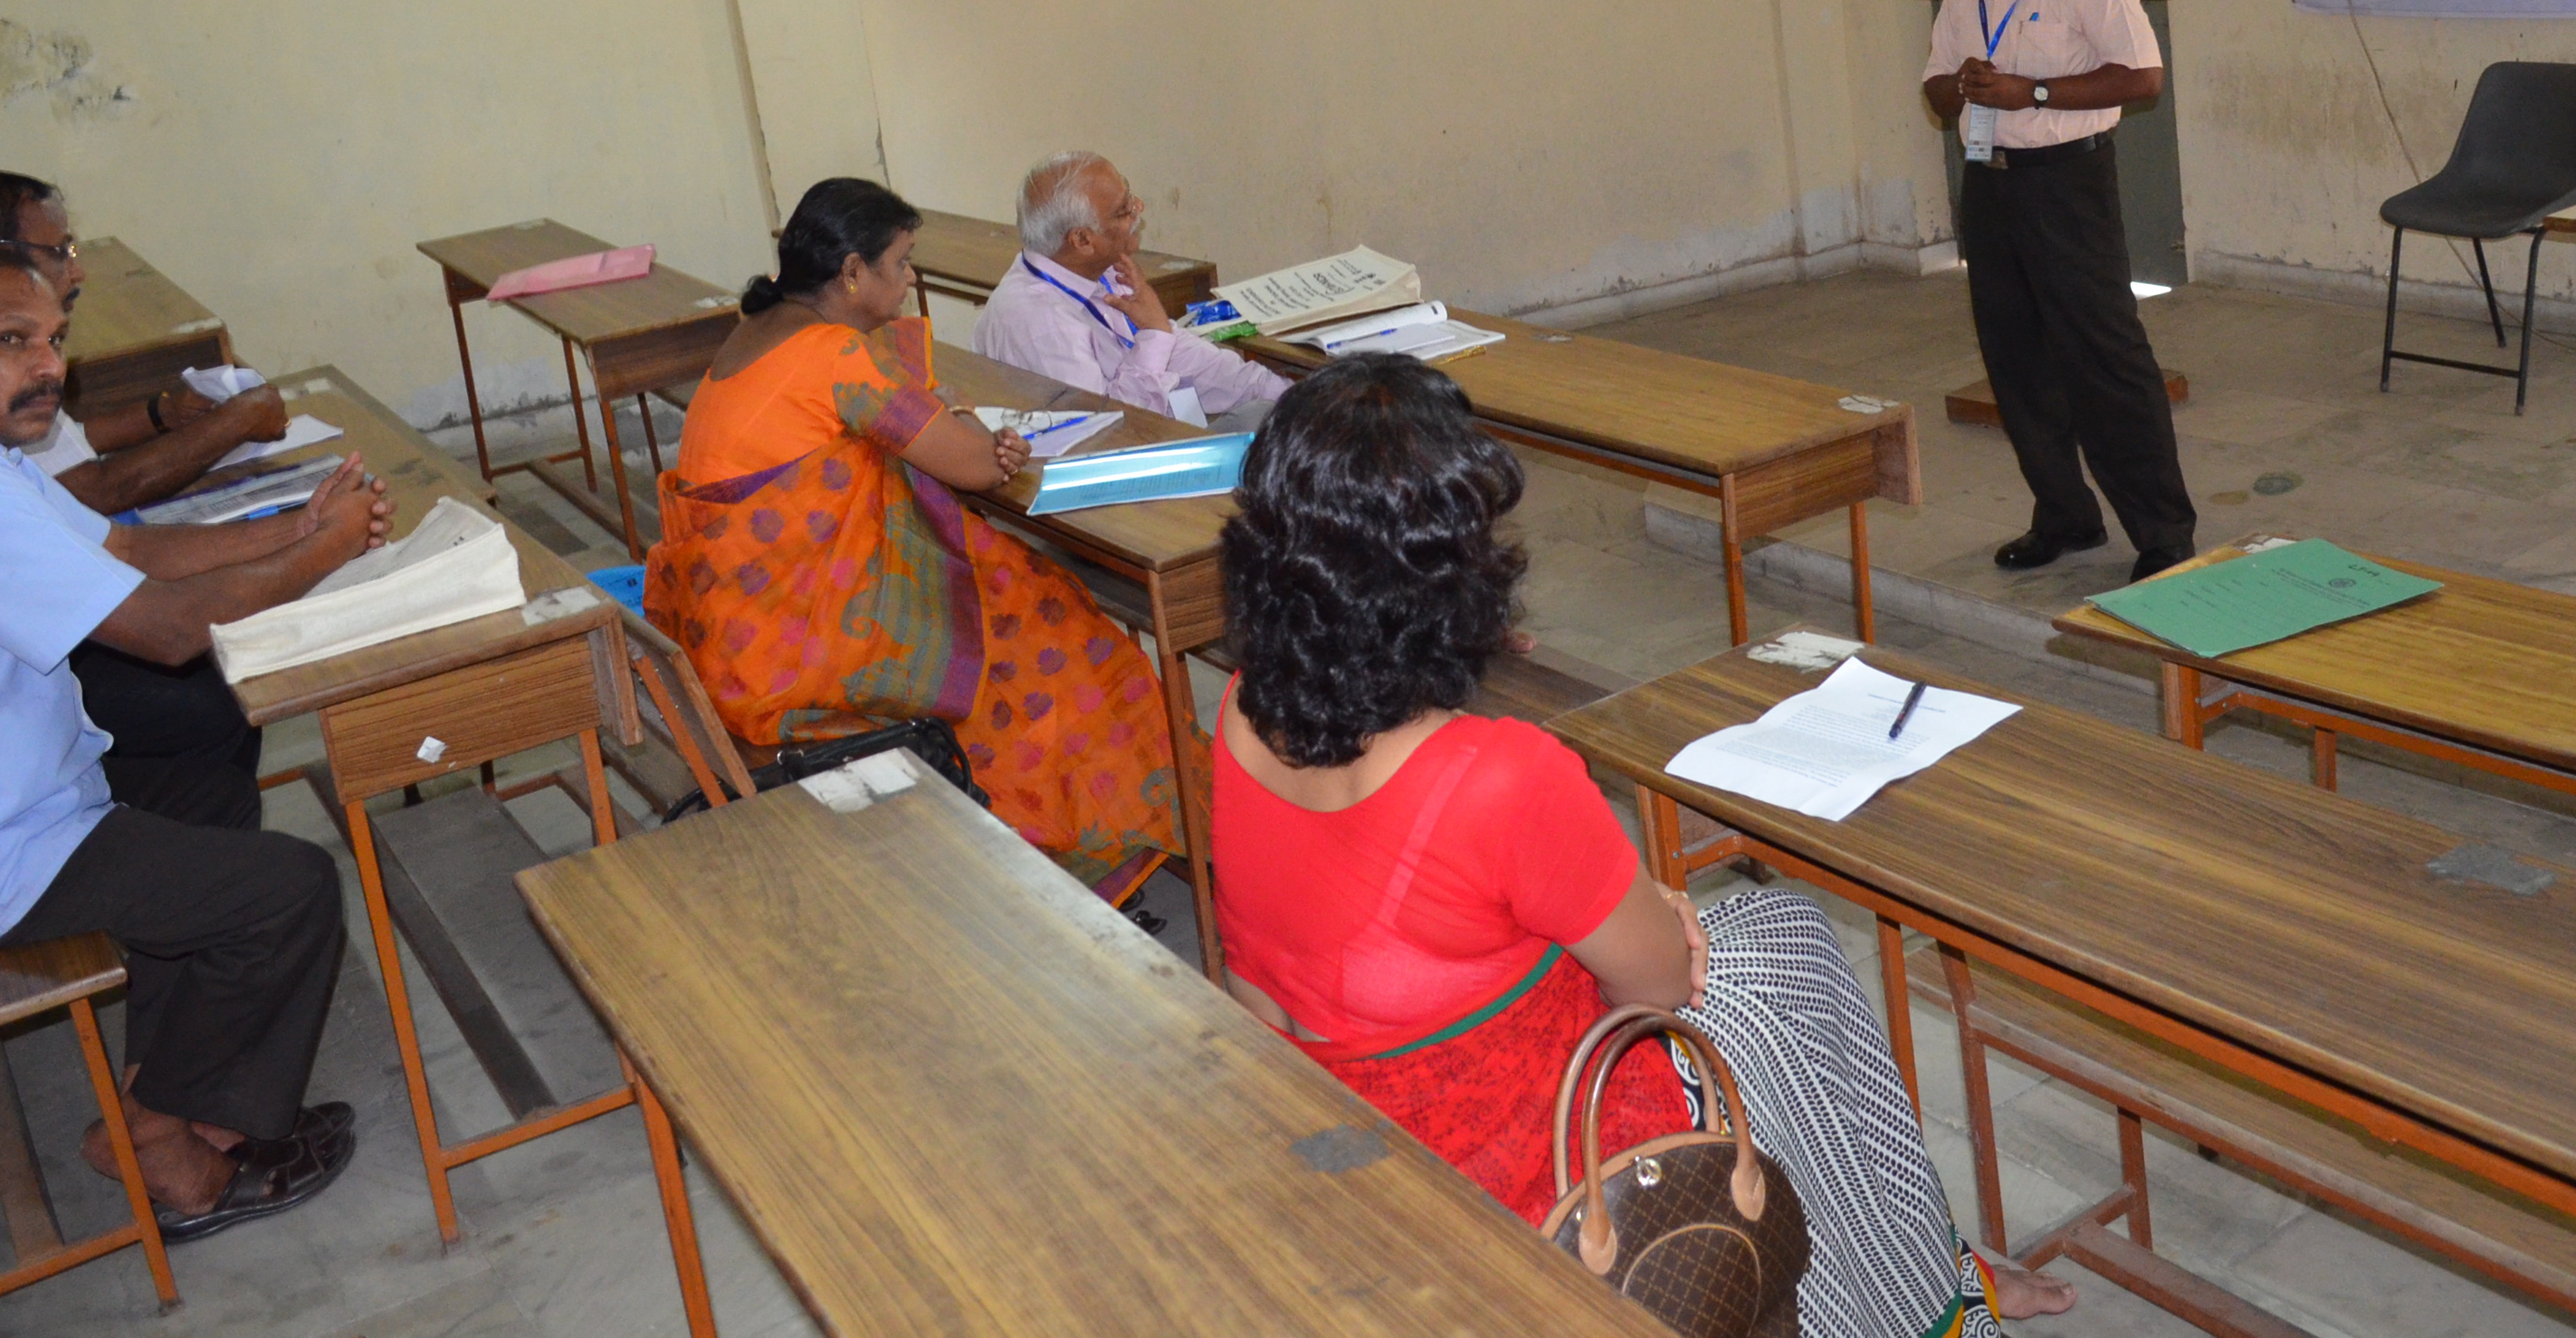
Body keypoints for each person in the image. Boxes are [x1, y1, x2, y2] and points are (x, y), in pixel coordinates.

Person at [1208, 355, 2067, 1336]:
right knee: (1783, 959)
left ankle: (1923, 1259)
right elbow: (1657, 988)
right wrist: (1657, 912)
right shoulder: (1498, 776)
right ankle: (1922, 1296)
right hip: (1531, 1168)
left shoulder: (1240, 712)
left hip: (1353, 1122)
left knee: (1756, 970)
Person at [0, 249, 387, 1238]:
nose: (46, 367)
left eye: (53, 340)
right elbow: (168, 630)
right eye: (10, 341)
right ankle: (161, 1148)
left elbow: (126, 550)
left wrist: (293, 529)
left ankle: (172, 1092)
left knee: (210, 791)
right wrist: (325, 551)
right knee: (290, 892)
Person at [645, 176, 1184, 894]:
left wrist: (935, 415)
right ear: (852, 272)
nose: (908, 282)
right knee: (1056, 634)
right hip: (796, 647)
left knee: (1000, 583)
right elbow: (975, 466)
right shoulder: (837, 357)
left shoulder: (754, 333)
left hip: (735, 630)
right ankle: (1073, 843)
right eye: (900, 264)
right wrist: (972, 429)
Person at [0, 171, 296, 829]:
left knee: (212, 649)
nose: (78, 269)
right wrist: (238, 424)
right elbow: (95, 493)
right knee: (211, 690)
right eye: (59, 250)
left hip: (18, 641)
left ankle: (200, 834)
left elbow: (73, 462)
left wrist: (159, 415)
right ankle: (179, 844)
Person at [1919, 0, 2195, 581]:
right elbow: (1935, 89)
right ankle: (2066, 516)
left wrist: (2030, 91)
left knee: (2105, 358)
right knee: (2015, 360)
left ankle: (2163, 533)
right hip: (1990, 186)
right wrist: (1961, 86)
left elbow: (2142, 78)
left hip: (2068, 185)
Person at [972, 151, 1285, 427]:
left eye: (1130, 195)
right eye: (1124, 210)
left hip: (1150, 431)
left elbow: (1182, 355)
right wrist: (1154, 335)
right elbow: (1106, 430)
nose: (1139, 208)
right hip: (1109, 459)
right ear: (1082, 240)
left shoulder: (1090, 269)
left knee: (1275, 413)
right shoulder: (1042, 323)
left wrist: (1287, 395)